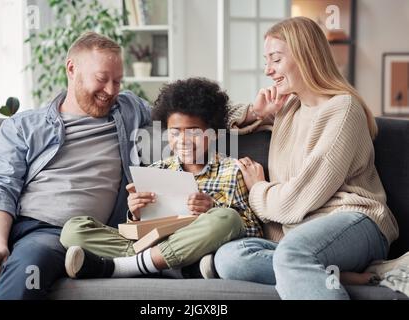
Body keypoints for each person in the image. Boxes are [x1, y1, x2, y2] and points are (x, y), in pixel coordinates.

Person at [213, 17, 401, 300]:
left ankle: (305, 266)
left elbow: (297, 200)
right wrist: (256, 112)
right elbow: (211, 126)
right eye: (267, 61)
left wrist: (258, 189)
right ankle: (334, 274)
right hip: (302, 237)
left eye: (275, 59)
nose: (268, 70)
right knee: (229, 258)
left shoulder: (342, 109)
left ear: (305, 56)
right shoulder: (288, 109)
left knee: (292, 254)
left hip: (355, 221)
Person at [0, 32, 151, 299]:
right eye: (101, 79)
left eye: (117, 81)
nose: (111, 91)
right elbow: (0, 187)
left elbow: (182, 108)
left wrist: (231, 119)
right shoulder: (23, 125)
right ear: (72, 69)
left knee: (28, 274)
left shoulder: (129, 110)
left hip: (56, 234)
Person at [59, 77, 263, 280]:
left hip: (198, 245)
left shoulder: (233, 171)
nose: (183, 141)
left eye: (193, 133)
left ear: (214, 133)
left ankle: (125, 266)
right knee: (73, 230)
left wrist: (212, 208)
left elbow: (252, 232)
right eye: (175, 133)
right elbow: (141, 232)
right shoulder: (157, 170)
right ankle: (171, 267)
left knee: (227, 218)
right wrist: (136, 214)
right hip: (155, 245)